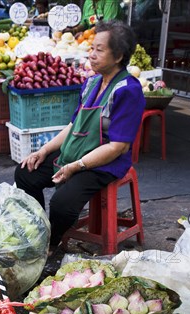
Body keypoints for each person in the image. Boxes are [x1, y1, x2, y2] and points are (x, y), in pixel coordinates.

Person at [14, 19, 146, 253]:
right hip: (76, 150)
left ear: (118, 56)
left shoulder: (128, 90)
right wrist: (43, 151)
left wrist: (76, 166)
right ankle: (38, 228)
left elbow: (117, 148)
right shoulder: (91, 83)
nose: (91, 53)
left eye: (99, 49)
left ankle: (50, 242)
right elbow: (73, 125)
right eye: (92, 47)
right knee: (25, 172)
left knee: (62, 204)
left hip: (104, 162)